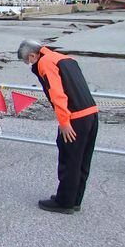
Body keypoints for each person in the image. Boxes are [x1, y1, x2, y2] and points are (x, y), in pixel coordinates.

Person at [17, 40, 99, 214]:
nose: (29, 64)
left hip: (75, 117)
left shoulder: (46, 63)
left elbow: (57, 94)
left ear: (33, 55)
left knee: (69, 161)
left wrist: (64, 122)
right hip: (91, 113)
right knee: (83, 160)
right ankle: (75, 199)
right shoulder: (64, 58)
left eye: (28, 61)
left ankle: (64, 203)